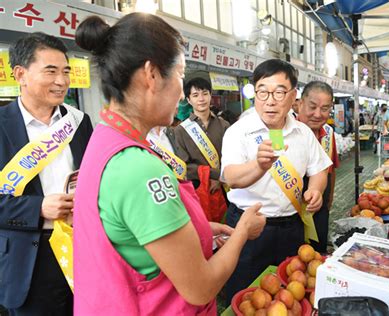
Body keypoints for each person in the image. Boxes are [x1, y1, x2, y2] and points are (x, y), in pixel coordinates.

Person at [73, 13, 265, 315]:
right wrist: (241, 231)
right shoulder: (138, 167)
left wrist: (199, 229)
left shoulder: (107, 139)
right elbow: (200, 288)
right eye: (180, 74)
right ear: (151, 75)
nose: (183, 92)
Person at [221, 59, 333, 303]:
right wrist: (258, 166)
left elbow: (320, 168)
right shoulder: (238, 132)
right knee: (245, 299)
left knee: (289, 297)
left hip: (291, 229)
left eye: (279, 92)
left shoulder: (303, 133)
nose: (270, 100)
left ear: (293, 96)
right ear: (254, 94)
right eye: (262, 91)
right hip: (247, 229)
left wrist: (315, 189)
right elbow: (231, 177)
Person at [0, 32, 93, 315]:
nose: (62, 81)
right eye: (50, 71)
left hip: (83, 251)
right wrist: (37, 207)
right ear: (20, 74)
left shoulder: (78, 122)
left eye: (66, 72)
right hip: (30, 259)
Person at [174, 78, 230, 222]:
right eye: (195, 95)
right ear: (188, 99)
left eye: (205, 94)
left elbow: (232, 157)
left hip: (227, 190)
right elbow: (184, 166)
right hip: (198, 192)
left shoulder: (224, 125)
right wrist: (216, 175)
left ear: (211, 95)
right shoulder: (181, 131)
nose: (201, 99)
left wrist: (220, 179)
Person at [297, 81, 340, 254]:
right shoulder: (286, 132)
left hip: (320, 206)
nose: (317, 114)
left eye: (325, 108)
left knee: (318, 252)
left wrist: (329, 199)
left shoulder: (328, 133)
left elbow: (332, 168)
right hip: (294, 208)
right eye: (312, 106)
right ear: (300, 104)